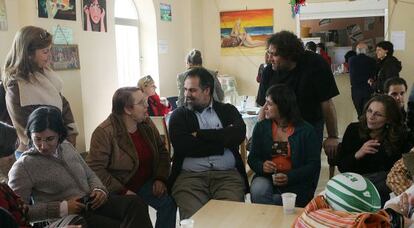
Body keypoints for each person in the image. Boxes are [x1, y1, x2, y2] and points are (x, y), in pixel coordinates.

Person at [8, 106, 152, 228]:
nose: (43, 146)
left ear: (60, 135)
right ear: (30, 135)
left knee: (135, 203)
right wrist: (62, 208)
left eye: (50, 139)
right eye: (37, 139)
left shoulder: (67, 147)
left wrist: (99, 189)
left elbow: (90, 174)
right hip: (66, 218)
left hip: (91, 204)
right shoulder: (23, 167)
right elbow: (19, 213)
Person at [87, 87, 176, 228]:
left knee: (168, 204)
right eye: (141, 103)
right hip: (119, 186)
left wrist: (160, 178)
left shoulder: (146, 123)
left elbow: (162, 152)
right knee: (138, 210)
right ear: (128, 110)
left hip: (145, 182)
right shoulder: (104, 132)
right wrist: (122, 191)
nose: (147, 106)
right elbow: (95, 169)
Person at [169, 67, 248, 219]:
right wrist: (221, 142)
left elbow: (238, 134)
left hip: (227, 177)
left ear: (207, 90)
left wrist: (200, 134)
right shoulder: (179, 115)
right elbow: (184, 146)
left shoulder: (227, 111)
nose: (186, 95)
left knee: (231, 219)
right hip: (190, 179)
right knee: (196, 221)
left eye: (192, 90)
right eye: (185, 90)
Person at [256, 31, 340, 161]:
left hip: (309, 126)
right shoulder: (269, 72)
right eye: (269, 53)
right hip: (280, 131)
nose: (269, 58)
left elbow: (326, 102)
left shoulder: (315, 64)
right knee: (282, 165)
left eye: (274, 54)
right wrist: (259, 136)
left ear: (288, 55)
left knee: (307, 168)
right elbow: (264, 107)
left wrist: (332, 136)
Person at [2, 26, 78, 159]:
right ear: (29, 54)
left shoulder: (47, 76)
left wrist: (71, 135)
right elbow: (27, 127)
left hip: (57, 147)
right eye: (45, 52)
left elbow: (64, 106)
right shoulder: (17, 86)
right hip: (35, 152)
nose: (49, 56)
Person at [248, 84, 321, 207]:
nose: (265, 108)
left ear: (282, 106)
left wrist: (289, 176)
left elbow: (313, 165)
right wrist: (262, 166)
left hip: (297, 180)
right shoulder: (262, 127)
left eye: (269, 104)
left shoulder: (306, 130)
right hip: (267, 178)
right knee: (258, 191)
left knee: (282, 200)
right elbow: (252, 158)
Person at [337, 95, 410, 206]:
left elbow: (403, 169)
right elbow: (342, 167)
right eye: (369, 111)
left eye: (378, 114)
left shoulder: (400, 136)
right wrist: (358, 154)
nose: (371, 117)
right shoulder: (353, 130)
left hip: (385, 184)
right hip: (355, 181)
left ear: (389, 119)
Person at [348, 41, 376, 117]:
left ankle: (361, 126)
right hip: (368, 90)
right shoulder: (372, 61)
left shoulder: (351, 60)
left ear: (357, 50)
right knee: (368, 113)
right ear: (366, 50)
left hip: (356, 91)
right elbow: (374, 75)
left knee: (360, 113)